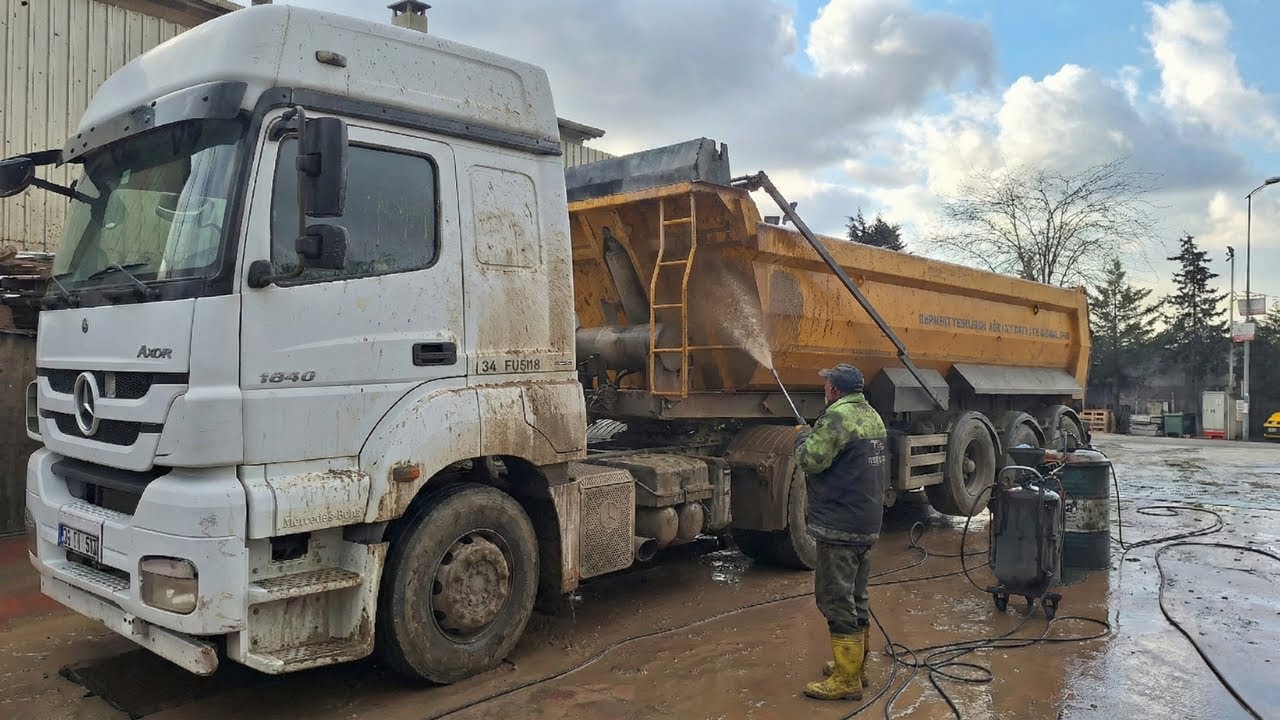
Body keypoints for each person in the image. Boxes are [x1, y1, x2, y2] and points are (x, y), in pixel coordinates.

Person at [793, 362, 888, 701]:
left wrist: (803, 439)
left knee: (836, 600)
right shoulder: (872, 416)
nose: (824, 389)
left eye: (826, 384)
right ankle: (855, 669)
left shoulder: (835, 418)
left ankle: (846, 680)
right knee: (858, 597)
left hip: (839, 526)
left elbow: (811, 461)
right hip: (865, 523)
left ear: (834, 390)